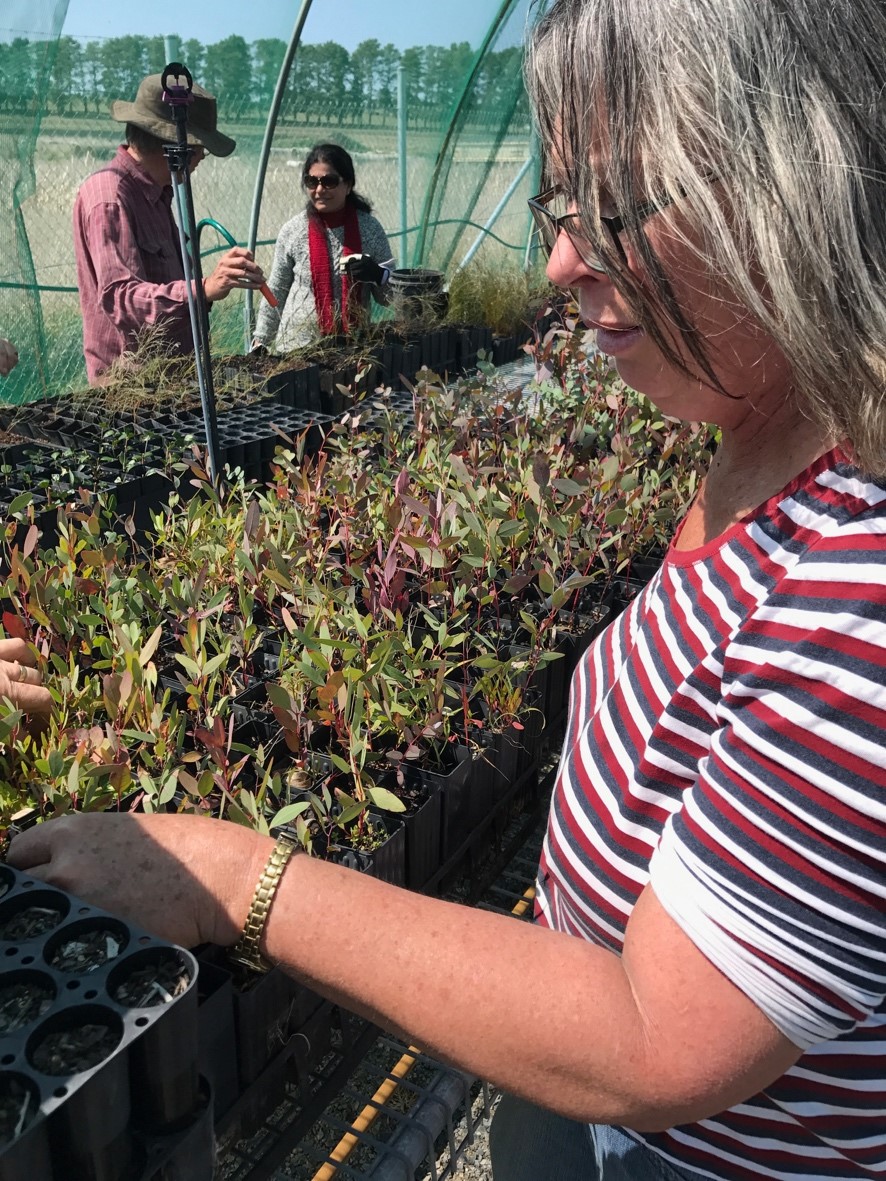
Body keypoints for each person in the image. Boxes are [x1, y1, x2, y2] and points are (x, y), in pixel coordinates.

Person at [10, 1, 886, 1178]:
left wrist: (227, 873)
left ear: (795, 176)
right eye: (559, 207)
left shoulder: (858, 576)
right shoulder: (762, 433)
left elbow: (654, 1037)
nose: (563, 261)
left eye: (613, 206)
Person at [73, 73, 266, 384]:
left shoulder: (157, 193)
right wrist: (202, 289)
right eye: (198, 145)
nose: (202, 156)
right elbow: (121, 298)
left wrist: (209, 288)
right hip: (134, 392)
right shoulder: (109, 197)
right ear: (171, 144)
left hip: (172, 379)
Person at [252, 143, 394, 352]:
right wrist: (261, 340)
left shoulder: (370, 230)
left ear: (348, 185)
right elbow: (277, 290)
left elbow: (388, 299)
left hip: (352, 348)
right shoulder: (293, 231)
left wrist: (378, 274)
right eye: (312, 181)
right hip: (296, 349)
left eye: (329, 181)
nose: (319, 190)